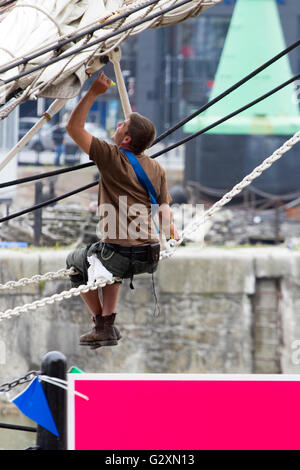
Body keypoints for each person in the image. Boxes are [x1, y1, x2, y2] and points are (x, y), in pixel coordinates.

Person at [65, 71, 179, 349]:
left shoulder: (111, 157)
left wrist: (92, 93)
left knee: (75, 262)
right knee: (107, 257)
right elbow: (164, 210)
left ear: (126, 140)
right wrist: (171, 232)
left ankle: (102, 323)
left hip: (119, 254)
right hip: (148, 254)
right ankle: (107, 326)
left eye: (122, 124)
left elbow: (74, 129)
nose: (117, 124)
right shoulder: (156, 167)